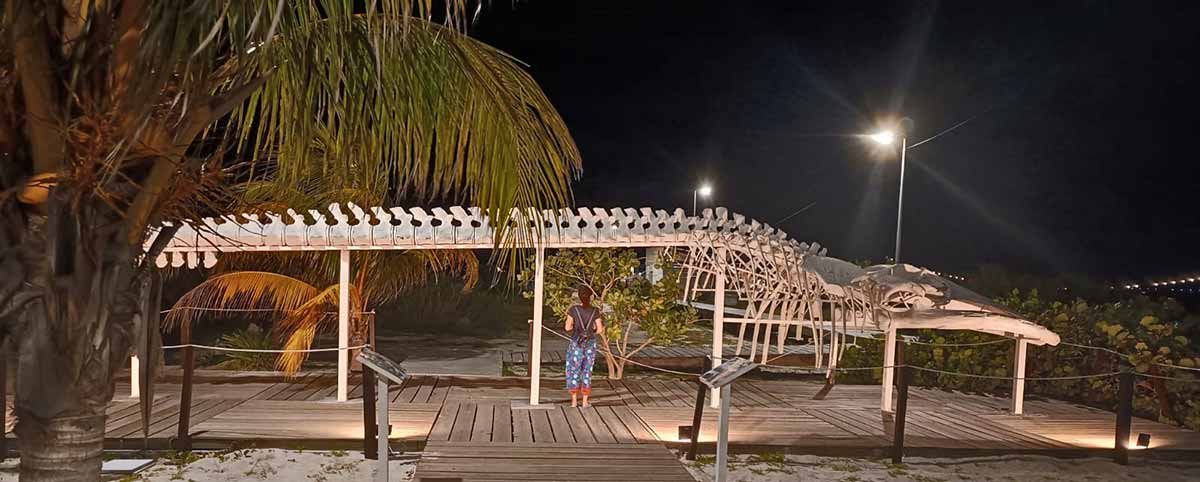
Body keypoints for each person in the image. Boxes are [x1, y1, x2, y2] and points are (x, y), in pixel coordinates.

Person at [564, 285, 604, 407]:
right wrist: (591, 331)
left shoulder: (573, 310)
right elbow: (600, 329)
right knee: (587, 370)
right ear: (590, 297)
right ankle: (585, 401)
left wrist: (576, 329)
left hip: (577, 342)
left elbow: (567, 327)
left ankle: (574, 401)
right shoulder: (595, 311)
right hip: (590, 343)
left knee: (573, 370)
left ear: (579, 297)